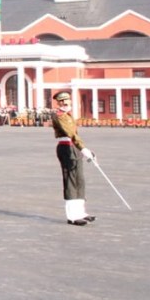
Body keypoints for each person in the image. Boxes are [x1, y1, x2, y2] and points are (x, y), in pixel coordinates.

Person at [51, 92, 97, 226]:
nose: (65, 104)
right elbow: (71, 134)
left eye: (67, 102)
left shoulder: (67, 115)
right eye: (62, 102)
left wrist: (83, 149)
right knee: (71, 180)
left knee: (79, 180)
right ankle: (72, 216)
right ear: (58, 103)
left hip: (74, 148)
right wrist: (83, 148)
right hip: (66, 148)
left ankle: (81, 212)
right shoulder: (59, 116)